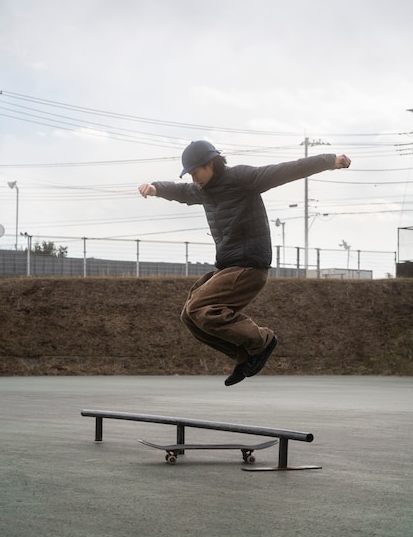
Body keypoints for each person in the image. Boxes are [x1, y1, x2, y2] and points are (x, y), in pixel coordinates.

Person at [139, 141, 351, 386]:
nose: (194, 179)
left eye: (196, 172)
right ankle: (243, 356)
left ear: (210, 164)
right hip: (229, 267)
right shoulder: (203, 190)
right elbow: (182, 191)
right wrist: (156, 188)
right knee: (188, 315)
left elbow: (286, 170)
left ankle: (262, 340)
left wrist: (329, 161)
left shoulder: (241, 178)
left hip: (250, 265)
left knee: (199, 307)